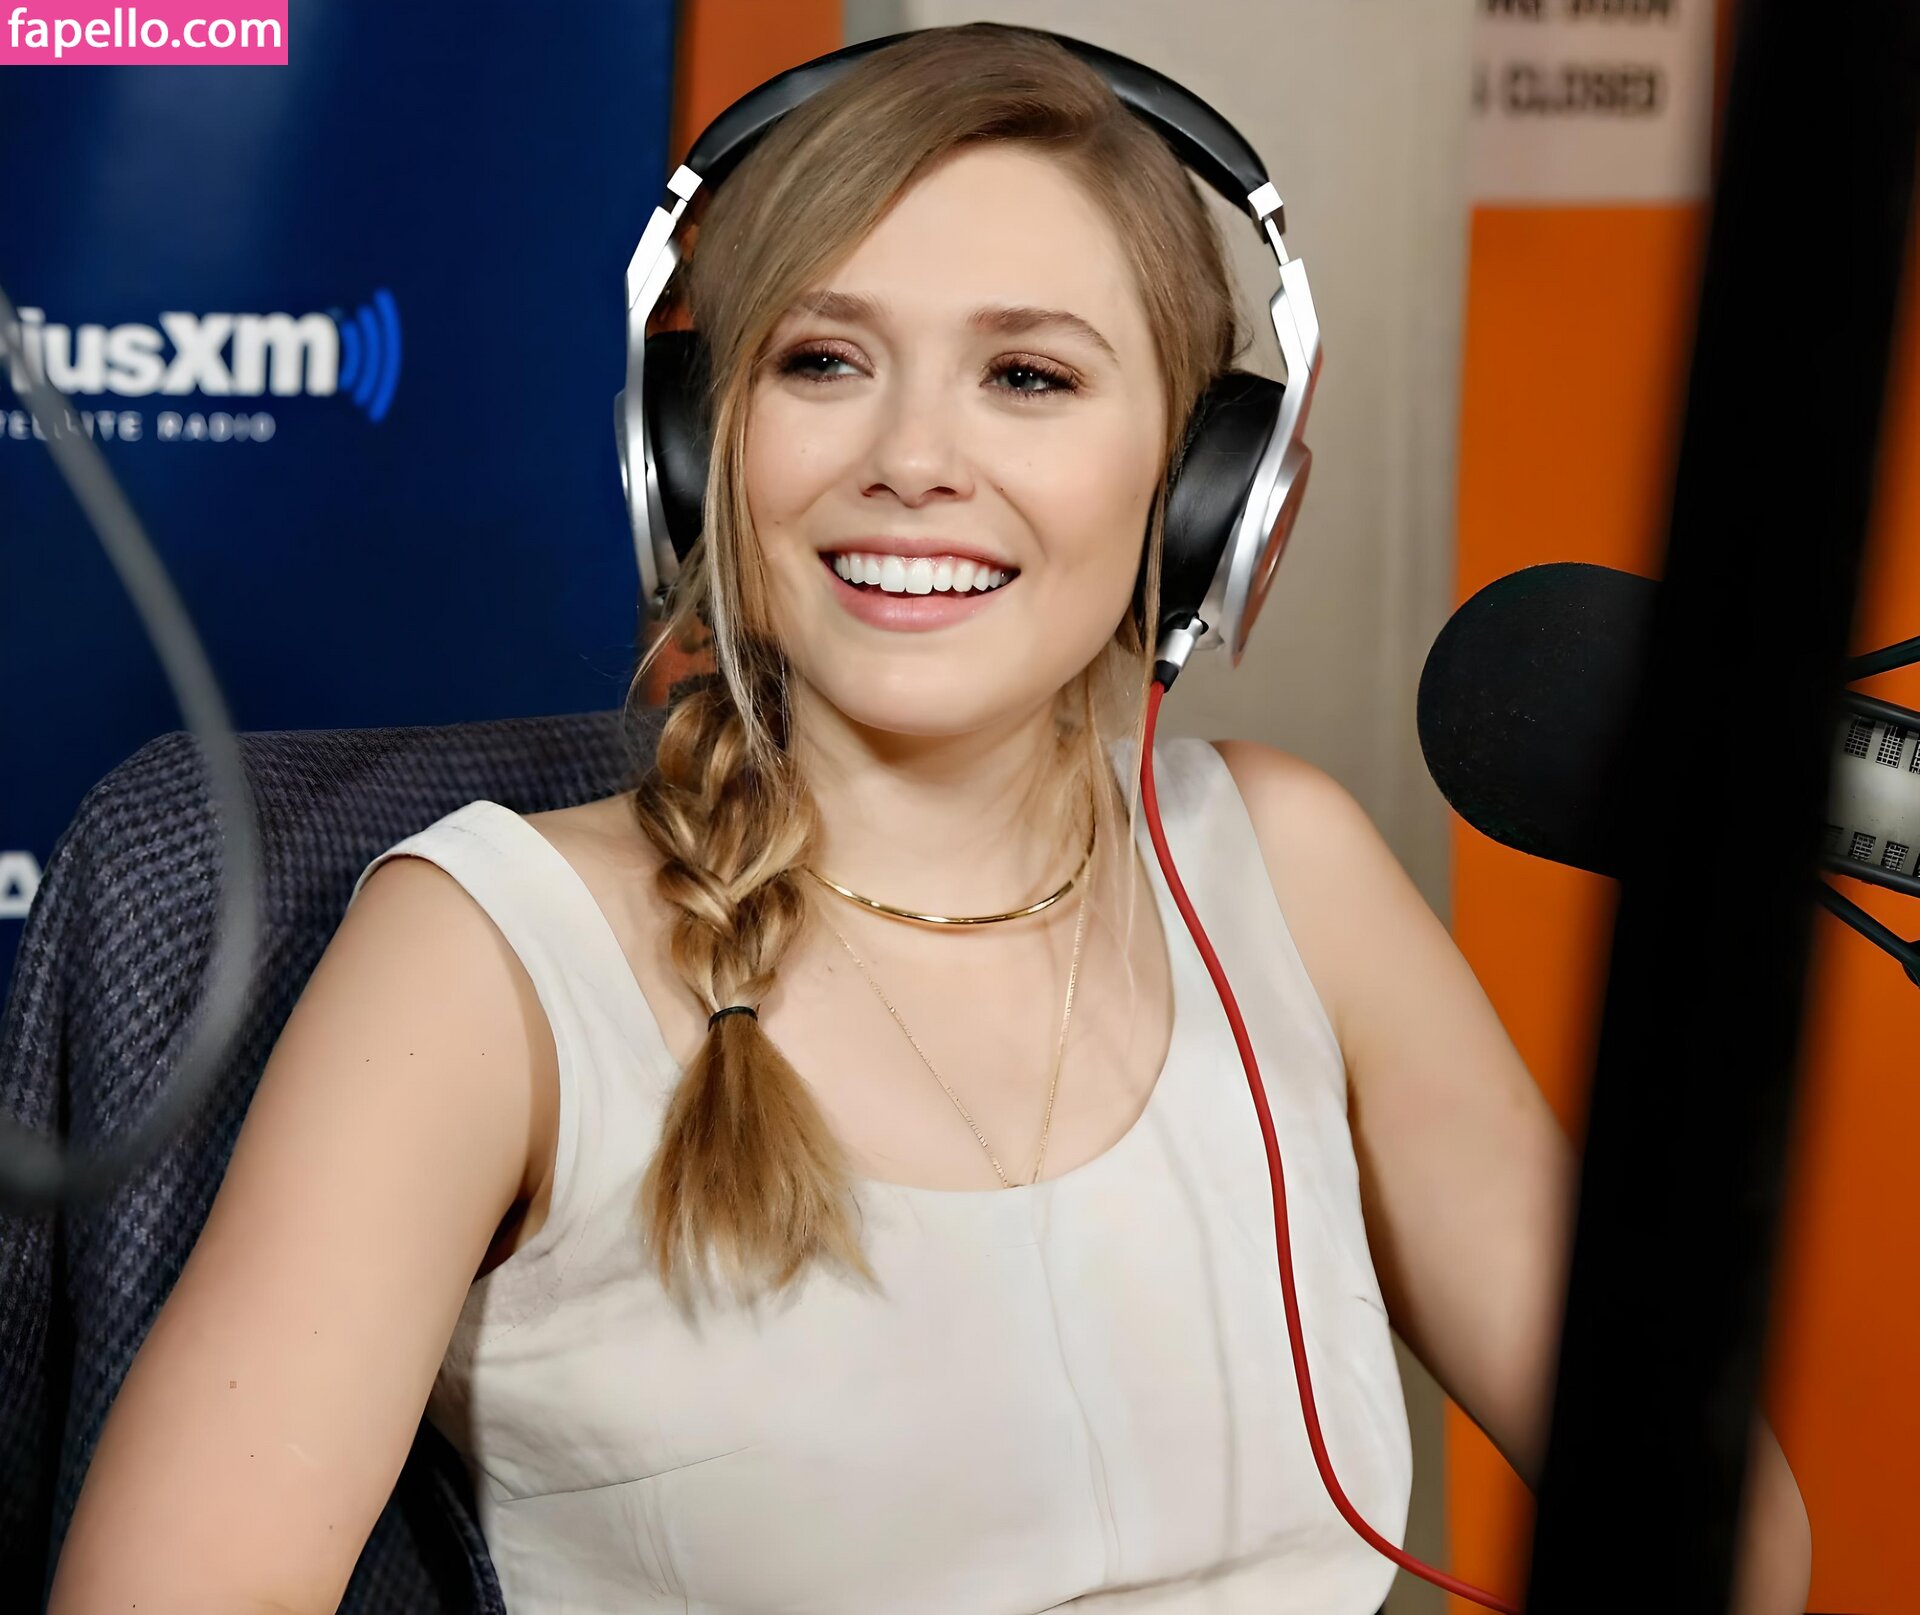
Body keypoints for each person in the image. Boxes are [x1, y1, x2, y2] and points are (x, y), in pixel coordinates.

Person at [46, 23, 1810, 1615]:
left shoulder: (1284, 868)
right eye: (823, 361)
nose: (911, 458)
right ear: (693, 449)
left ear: (1207, 491)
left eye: (1028, 377)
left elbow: (1725, 1530)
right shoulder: (484, 959)